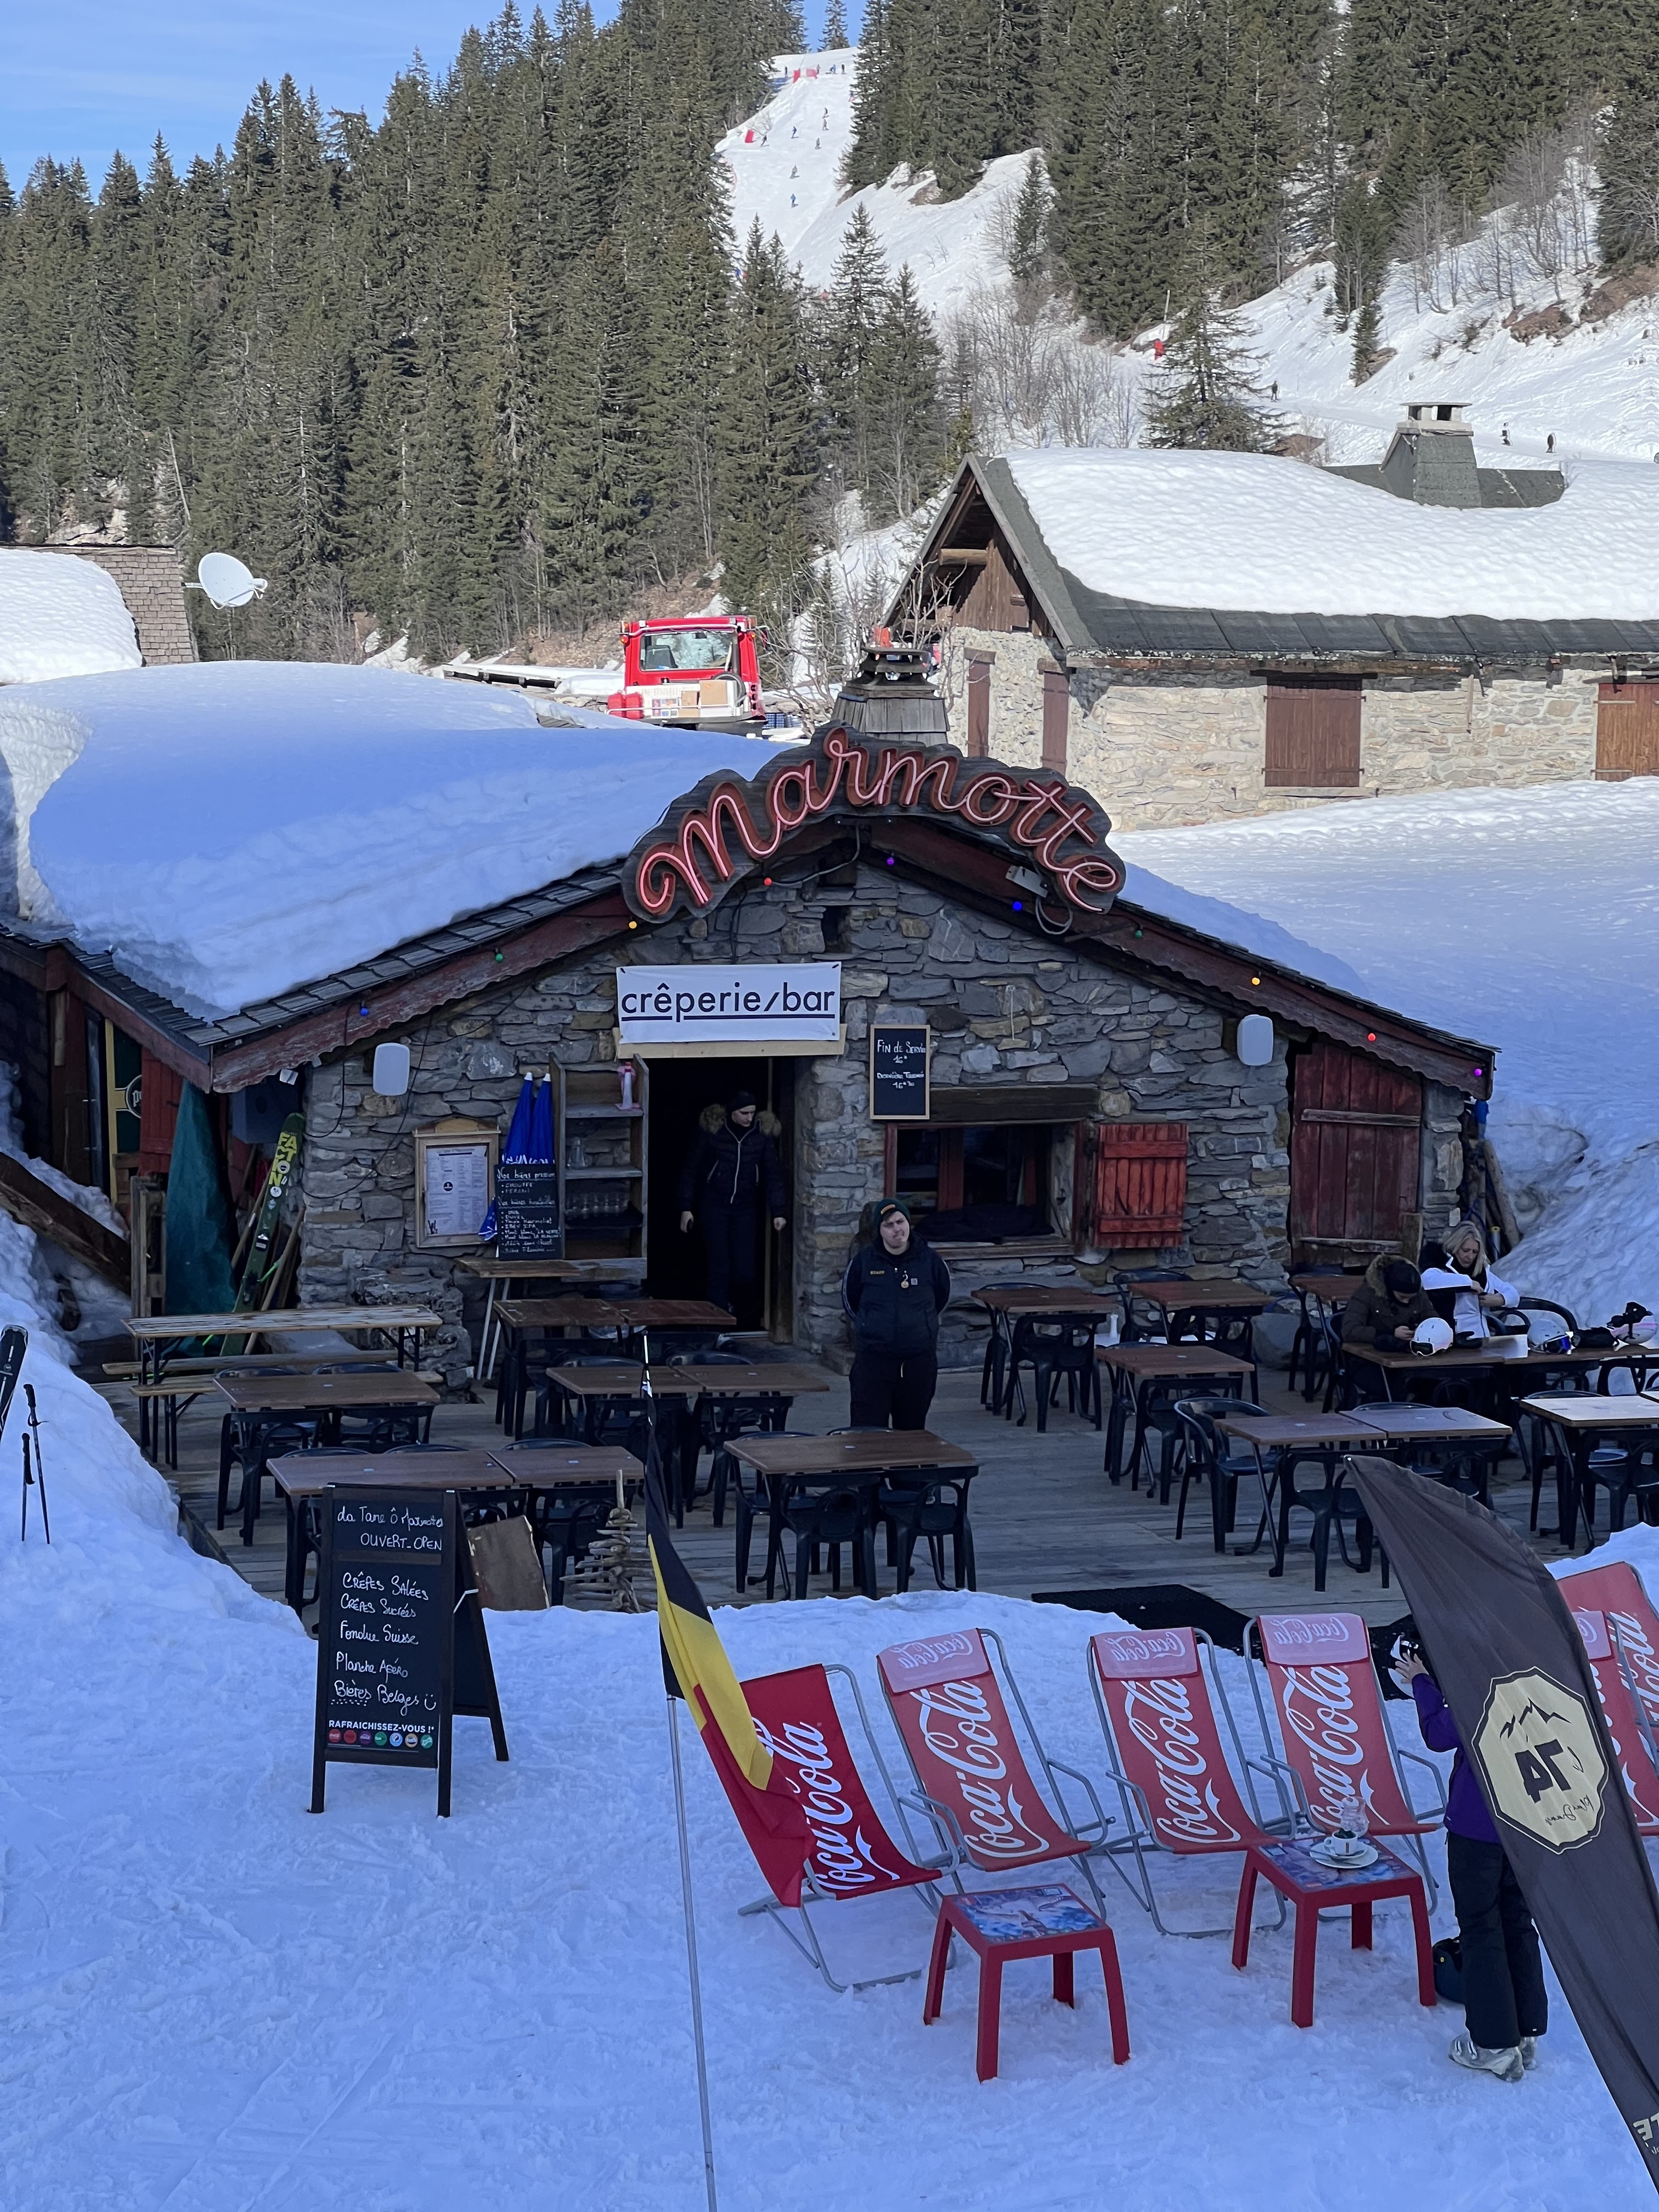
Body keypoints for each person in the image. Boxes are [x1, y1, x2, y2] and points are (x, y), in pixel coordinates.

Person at [1395, 1645, 1547, 2083]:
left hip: (1479, 1828)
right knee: (1517, 1921)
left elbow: (1439, 1734)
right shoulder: (1537, 1670)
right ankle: (1525, 2033)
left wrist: (1422, 1683)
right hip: (1530, 1821)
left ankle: (1494, 2044)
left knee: (1481, 1929)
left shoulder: (1481, 1683)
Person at [841, 1198, 952, 1429]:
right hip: (873, 1364)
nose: (897, 1229)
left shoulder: (931, 1261)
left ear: (909, 1223)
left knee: (911, 1435)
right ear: (879, 1230)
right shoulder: (863, 1261)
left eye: (900, 1222)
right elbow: (851, 1302)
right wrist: (870, 1325)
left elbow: (941, 1299)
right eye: (888, 1225)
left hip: (917, 1364)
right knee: (868, 1435)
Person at [677, 1092, 786, 1322]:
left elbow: (773, 1173)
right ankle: (717, 1323)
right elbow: (691, 1169)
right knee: (719, 1268)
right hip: (714, 1205)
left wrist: (778, 1211)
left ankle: (736, 1311)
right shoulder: (715, 1131)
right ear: (732, 1112)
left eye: (752, 1113)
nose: (749, 1118)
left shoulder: (760, 1134)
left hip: (745, 1207)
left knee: (745, 1270)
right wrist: (686, 1207)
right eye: (744, 1113)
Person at [1423, 1218, 1520, 1340]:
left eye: (1475, 1252)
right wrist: (1468, 1283)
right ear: (1455, 1247)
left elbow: (1513, 1294)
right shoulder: (1441, 1267)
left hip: (1482, 1337)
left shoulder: (1483, 1272)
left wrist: (1500, 1299)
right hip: (1452, 1337)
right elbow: (1428, 1280)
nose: (1470, 1256)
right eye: (1466, 1250)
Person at [1341, 1255, 1436, 1353]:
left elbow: (1433, 1319)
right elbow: (1350, 1331)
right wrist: (1389, 1333)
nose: (1406, 1302)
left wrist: (1423, 1330)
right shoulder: (1367, 1294)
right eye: (1402, 1297)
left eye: (1411, 1298)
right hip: (1372, 1353)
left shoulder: (1419, 1294)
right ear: (1390, 1289)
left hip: (1412, 1352)